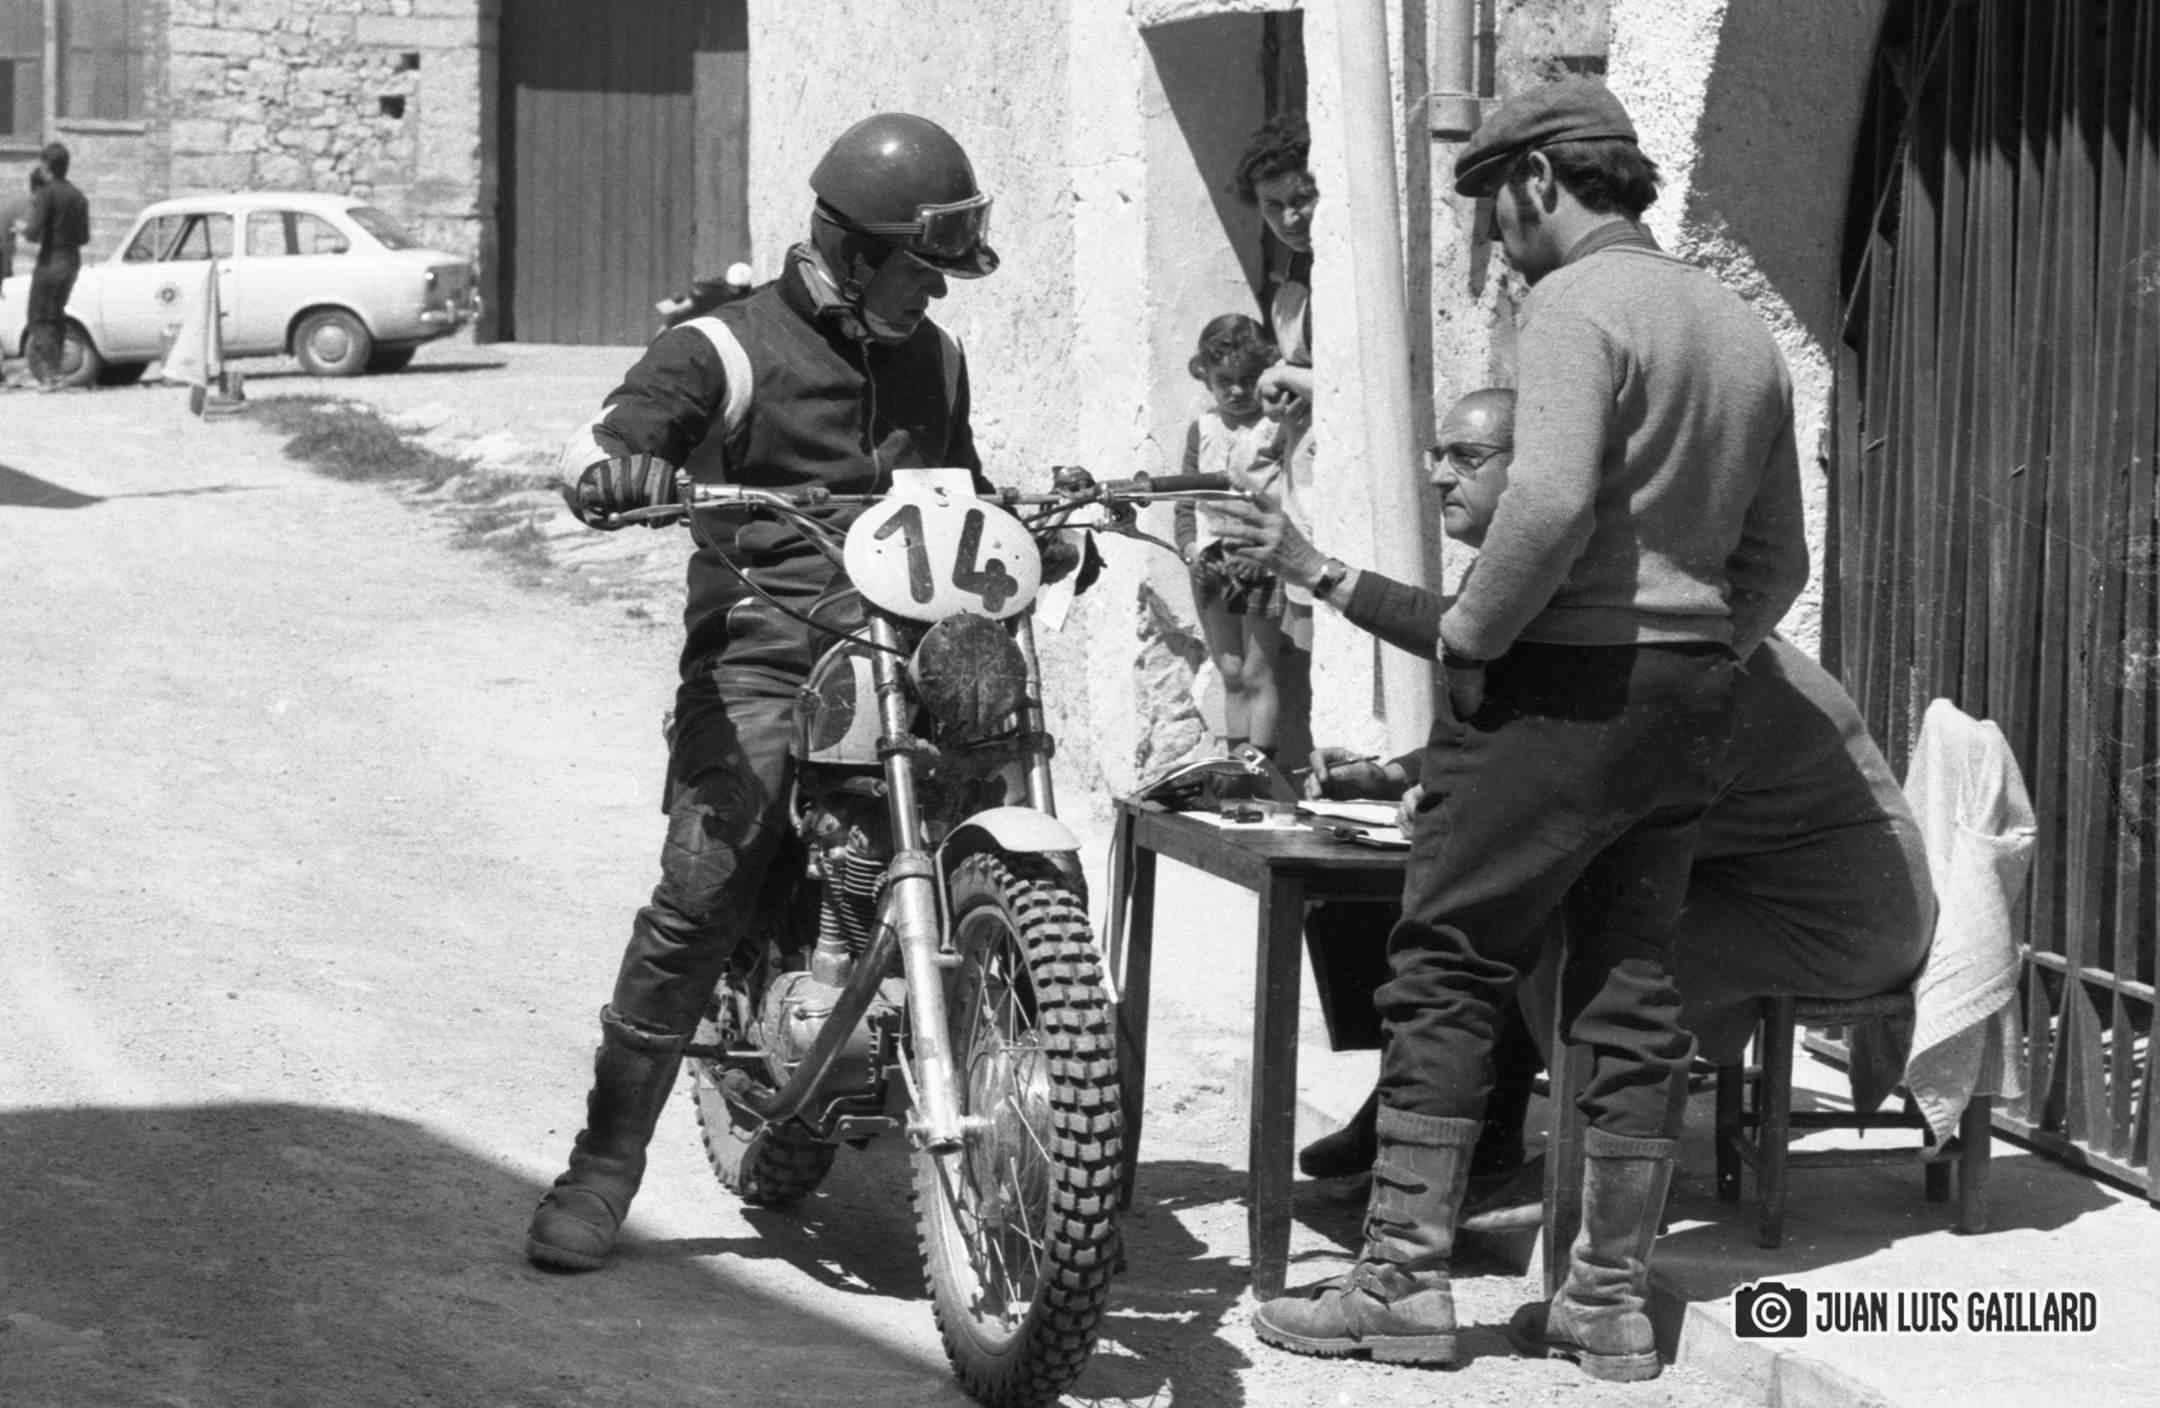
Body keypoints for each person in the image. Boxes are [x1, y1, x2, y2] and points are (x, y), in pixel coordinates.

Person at [1218, 78, 1811, 1381]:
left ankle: (1399, 1287)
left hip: (1557, 685)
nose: (1496, 240)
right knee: (1631, 986)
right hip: (1688, 694)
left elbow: (1542, 506)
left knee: (1447, 964)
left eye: (1495, 207)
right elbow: (1780, 561)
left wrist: (1477, 635)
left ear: (1541, 180)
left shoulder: (1576, 305)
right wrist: (1699, 648)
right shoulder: (1739, 327)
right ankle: (1604, 1304)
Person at [1240, 390, 1931, 1232]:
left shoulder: (1646, 610)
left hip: (1838, 915)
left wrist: (1320, 571)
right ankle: (1433, 1120)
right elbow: (1540, 718)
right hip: (1747, 883)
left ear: (1543, 477)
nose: (1439, 477)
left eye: (1466, 458)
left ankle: (1559, 1192)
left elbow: (1587, 760)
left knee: (1559, 940)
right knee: (1463, 911)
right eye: (1435, 456)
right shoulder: (1581, 584)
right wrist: (1389, 775)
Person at [527, 112, 1001, 1273]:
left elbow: (963, 491)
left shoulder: (937, 359)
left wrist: (1033, 527)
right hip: (766, 642)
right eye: (919, 266)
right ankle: (602, 1164)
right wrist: (619, 475)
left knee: (989, 796)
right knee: (706, 880)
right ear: (849, 250)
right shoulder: (723, 347)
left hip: (907, 641)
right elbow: (602, 441)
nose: (935, 290)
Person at [1173, 314, 1291, 759]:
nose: (1237, 391)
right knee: (1231, 671)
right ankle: (1237, 764)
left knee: (1259, 673)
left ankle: (1261, 766)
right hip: (1211, 562)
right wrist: (1190, 549)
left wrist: (1264, 554)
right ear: (1206, 376)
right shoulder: (1202, 429)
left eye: (1248, 379)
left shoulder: (1274, 428)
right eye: (1225, 381)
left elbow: (1289, 495)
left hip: (1260, 560)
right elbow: (1186, 501)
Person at [18, 143, 90, 392]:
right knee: (56, 315)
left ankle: (51, 375)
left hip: (51, 261)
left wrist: (23, 229)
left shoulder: (47, 193)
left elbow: (33, 232)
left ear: (46, 165)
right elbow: (84, 237)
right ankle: (57, 371)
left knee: (39, 318)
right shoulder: (78, 196)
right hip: (72, 261)